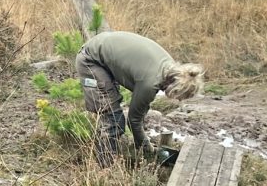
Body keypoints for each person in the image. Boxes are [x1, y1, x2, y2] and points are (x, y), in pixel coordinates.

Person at [75, 31, 204, 167]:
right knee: (113, 119)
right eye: (180, 96)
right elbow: (134, 120)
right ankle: (105, 168)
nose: (178, 100)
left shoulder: (168, 67)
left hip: (101, 48)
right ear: (175, 88)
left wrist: (141, 137)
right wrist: (146, 147)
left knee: (113, 112)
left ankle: (110, 156)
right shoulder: (150, 82)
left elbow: (140, 111)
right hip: (90, 60)